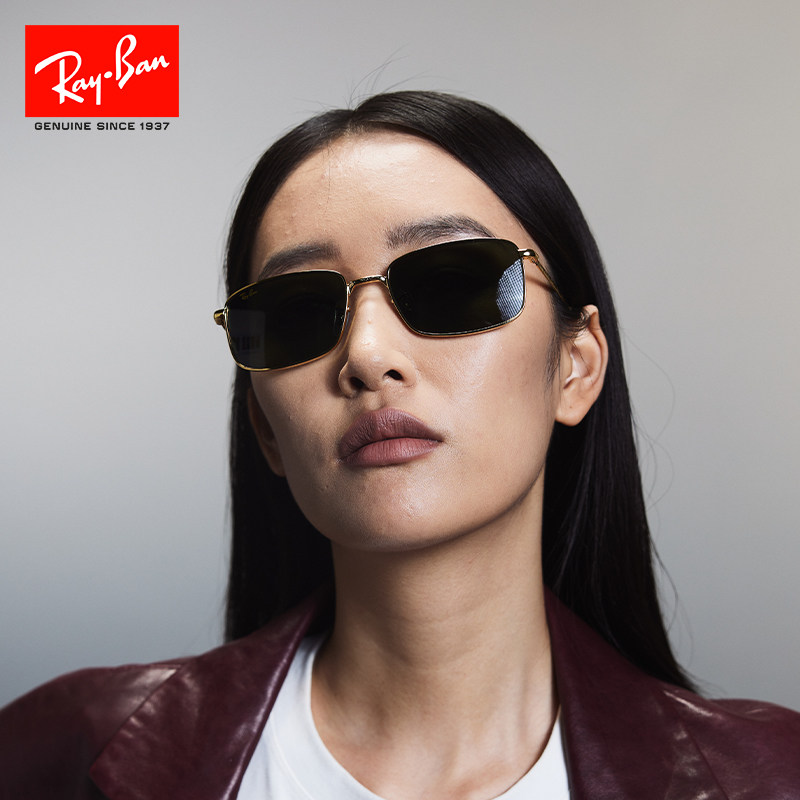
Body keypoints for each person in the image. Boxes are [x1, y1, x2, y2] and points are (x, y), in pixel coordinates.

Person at [1, 90, 798, 799]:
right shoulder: (54, 753)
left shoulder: (771, 776)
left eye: (452, 282)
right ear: (265, 427)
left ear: (575, 367)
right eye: (298, 312)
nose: (367, 354)